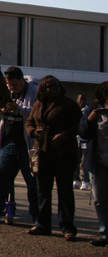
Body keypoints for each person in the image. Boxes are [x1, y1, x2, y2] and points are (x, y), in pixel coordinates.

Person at [25, 76, 81, 239]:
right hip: (42, 152)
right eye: (50, 86)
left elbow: (79, 125)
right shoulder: (38, 105)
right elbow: (29, 122)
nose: (54, 88)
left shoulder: (69, 104)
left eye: (56, 85)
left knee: (64, 191)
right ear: (43, 89)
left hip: (64, 153)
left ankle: (67, 227)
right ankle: (43, 225)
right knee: (43, 191)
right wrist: (34, 132)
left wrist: (64, 134)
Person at [0, 66, 40, 225]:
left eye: (15, 84)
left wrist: (18, 108)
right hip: (8, 142)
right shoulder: (7, 91)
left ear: (22, 80)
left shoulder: (34, 90)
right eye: (10, 85)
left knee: (33, 182)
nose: (12, 88)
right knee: (2, 177)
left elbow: (36, 112)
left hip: (30, 145)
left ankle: (38, 217)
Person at [78, 81, 108, 247]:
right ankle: (105, 233)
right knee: (100, 200)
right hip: (99, 162)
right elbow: (82, 132)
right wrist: (90, 120)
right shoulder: (93, 110)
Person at [75, 94, 92, 191]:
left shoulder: (89, 110)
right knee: (76, 160)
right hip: (77, 139)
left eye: (83, 100)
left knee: (85, 161)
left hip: (86, 140)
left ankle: (85, 180)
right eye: (79, 99)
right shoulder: (75, 109)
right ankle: (76, 180)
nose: (81, 102)